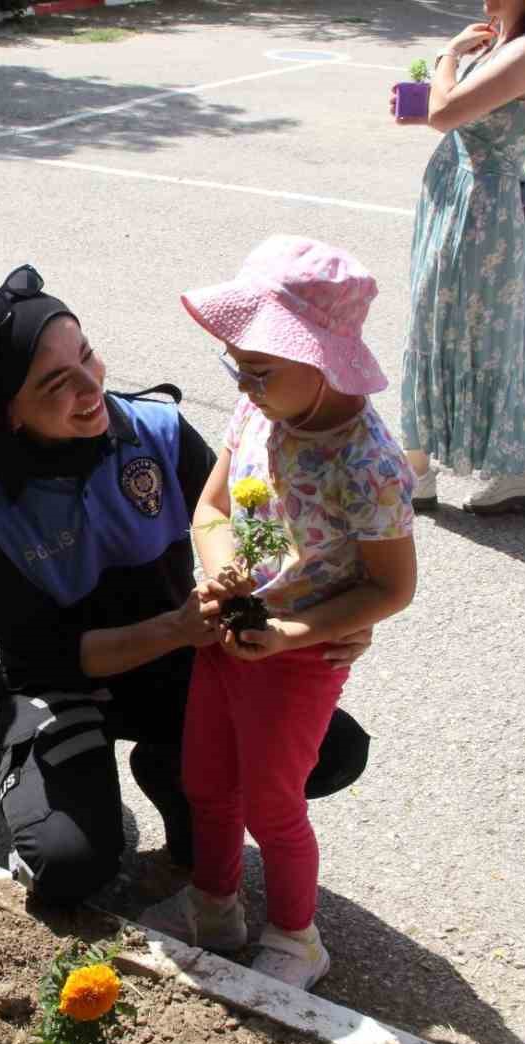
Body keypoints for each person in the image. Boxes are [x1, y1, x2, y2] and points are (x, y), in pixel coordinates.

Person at [0, 266, 375, 906]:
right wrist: (173, 627)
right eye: (56, 382)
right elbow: (43, 658)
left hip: (177, 664)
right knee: (68, 869)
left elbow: (271, 533)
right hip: (68, 684)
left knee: (331, 749)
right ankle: (66, 799)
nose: (90, 386)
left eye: (86, 354)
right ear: (7, 415)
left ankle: (171, 776)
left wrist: (337, 614)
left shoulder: (159, 434)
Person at [138, 238, 417, 990]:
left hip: (297, 656)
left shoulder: (367, 465)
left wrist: (296, 631)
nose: (243, 383)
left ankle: (297, 938)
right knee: (205, 779)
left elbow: (390, 587)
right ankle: (214, 905)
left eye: (258, 369)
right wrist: (219, 561)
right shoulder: (257, 411)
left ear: (323, 360)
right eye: (235, 366)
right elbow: (214, 506)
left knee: (273, 800)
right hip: (231, 629)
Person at [392, 0, 525, 514]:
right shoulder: (507, 43)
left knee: (448, 328)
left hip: (478, 212)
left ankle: (422, 470)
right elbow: (460, 117)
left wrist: (446, 55)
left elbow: (446, 112)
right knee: (466, 330)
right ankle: (512, 469)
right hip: (467, 197)